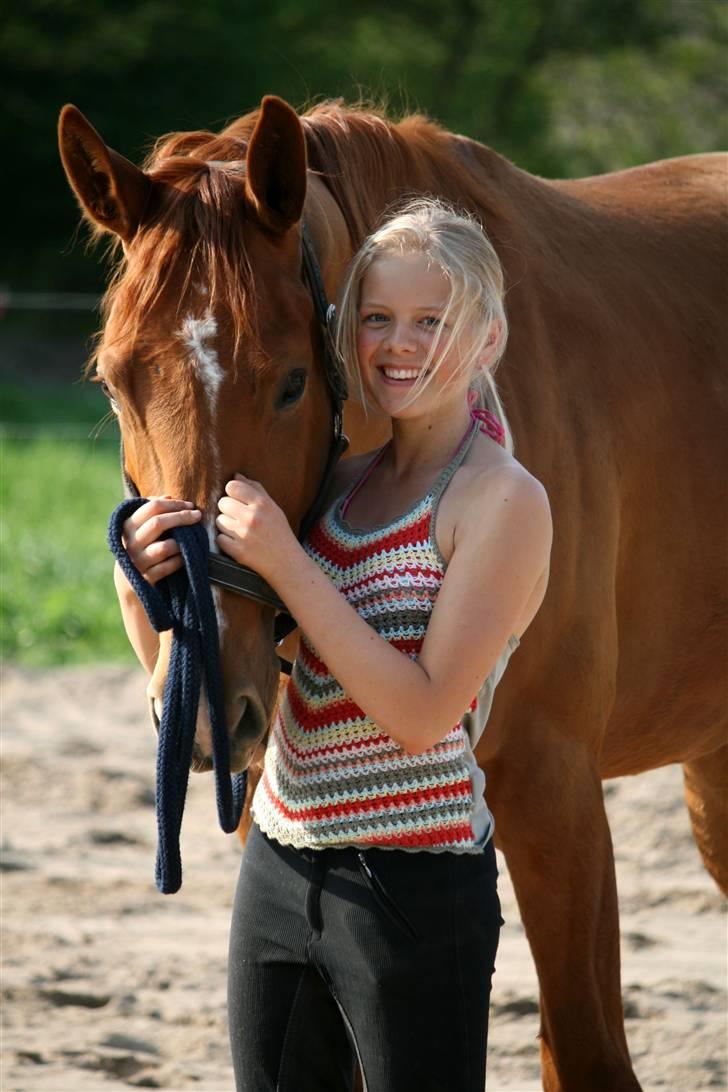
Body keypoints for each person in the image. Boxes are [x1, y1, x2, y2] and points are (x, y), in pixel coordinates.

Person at [116, 198, 552, 1091]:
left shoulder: (501, 502)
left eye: (432, 322)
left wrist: (286, 560)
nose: (398, 344)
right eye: (378, 318)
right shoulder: (338, 488)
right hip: (279, 868)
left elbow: (426, 713)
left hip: (412, 884)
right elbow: (185, 664)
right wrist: (143, 578)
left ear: (490, 337)